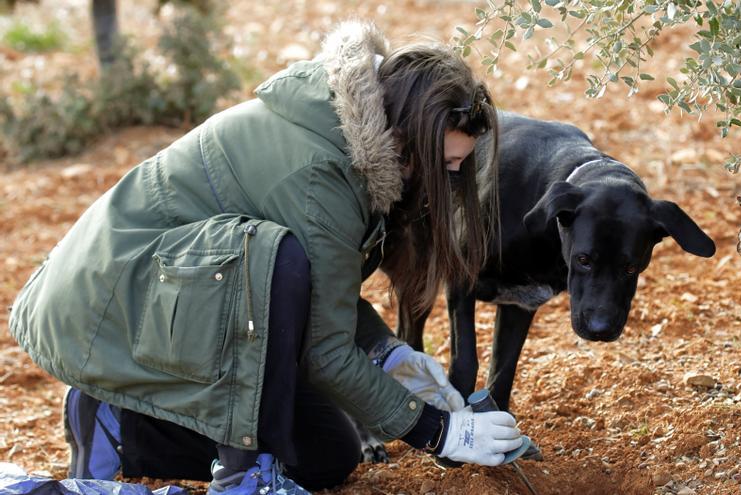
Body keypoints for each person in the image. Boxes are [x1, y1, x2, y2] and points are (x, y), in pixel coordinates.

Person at [7, 20, 522, 495]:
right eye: (447, 163)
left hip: (178, 301)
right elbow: (319, 340)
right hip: (112, 302)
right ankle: (243, 473)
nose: (450, 178)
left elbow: (323, 292)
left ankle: (127, 425)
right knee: (280, 259)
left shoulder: (355, 139)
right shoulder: (319, 174)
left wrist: (390, 355)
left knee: (326, 456)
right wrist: (438, 431)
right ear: (409, 135)